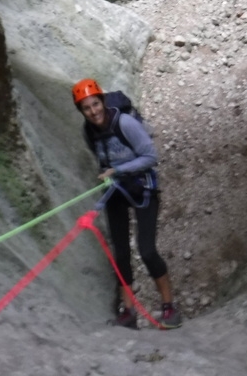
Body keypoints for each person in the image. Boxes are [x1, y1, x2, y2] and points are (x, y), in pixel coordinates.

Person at [72, 77, 182, 329]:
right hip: (117, 193)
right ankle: (129, 312)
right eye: (87, 108)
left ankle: (169, 307)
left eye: (95, 105)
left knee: (147, 250)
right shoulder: (88, 132)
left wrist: (118, 170)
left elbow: (150, 156)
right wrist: (110, 178)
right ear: (82, 111)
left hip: (143, 188)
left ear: (102, 102)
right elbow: (101, 160)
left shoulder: (125, 123)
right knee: (120, 254)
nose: (93, 111)